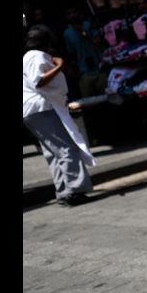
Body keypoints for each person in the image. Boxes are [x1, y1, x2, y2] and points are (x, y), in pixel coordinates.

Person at [23, 25, 97, 207]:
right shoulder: (36, 56)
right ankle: (74, 190)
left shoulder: (29, 57)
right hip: (42, 108)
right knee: (66, 148)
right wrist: (60, 66)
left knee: (53, 152)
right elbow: (39, 81)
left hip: (34, 110)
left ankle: (64, 190)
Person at [63, 8, 106, 98]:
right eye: (69, 13)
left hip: (101, 69)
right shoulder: (67, 33)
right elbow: (71, 53)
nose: (72, 15)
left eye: (74, 12)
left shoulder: (90, 25)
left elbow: (98, 42)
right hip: (84, 73)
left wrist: (83, 32)